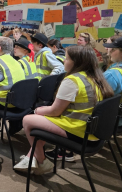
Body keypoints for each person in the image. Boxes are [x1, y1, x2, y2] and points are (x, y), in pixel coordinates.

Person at [14, 46, 114, 174]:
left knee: (28, 120)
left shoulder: (72, 80)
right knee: (41, 121)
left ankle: (41, 161)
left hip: (78, 130)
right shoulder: (96, 78)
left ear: (77, 62)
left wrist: (38, 111)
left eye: (66, 59)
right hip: (92, 131)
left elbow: (55, 111)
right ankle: (30, 157)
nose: (63, 62)